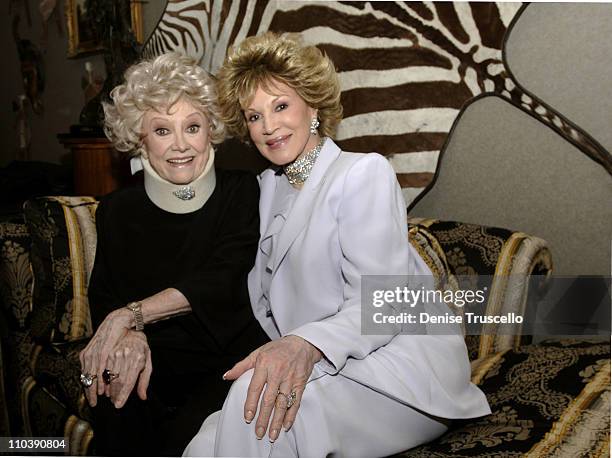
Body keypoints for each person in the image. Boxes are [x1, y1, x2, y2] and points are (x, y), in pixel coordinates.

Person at [184, 32, 491, 457]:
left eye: (280, 106)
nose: (269, 127)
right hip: (331, 367)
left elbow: (385, 305)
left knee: (252, 406)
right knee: (205, 439)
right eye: (254, 117)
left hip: (398, 369)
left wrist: (303, 344)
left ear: (313, 106)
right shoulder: (265, 190)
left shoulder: (362, 174)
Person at [78, 52, 269, 456]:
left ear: (210, 132)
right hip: (150, 361)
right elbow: (106, 296)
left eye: (193, 127)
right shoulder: (116, 210)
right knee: (116, 403)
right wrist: (129, 336)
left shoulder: (243, 191)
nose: (181, 145)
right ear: (140, 139)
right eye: (162, 130)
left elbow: (224, 278)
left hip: (226, 363)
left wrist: (133, 315)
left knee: (183, 438)